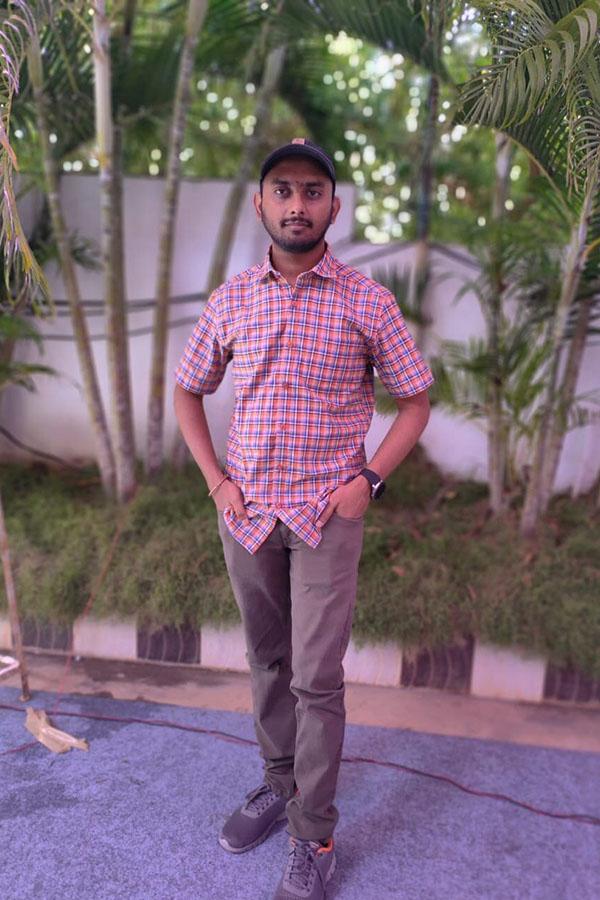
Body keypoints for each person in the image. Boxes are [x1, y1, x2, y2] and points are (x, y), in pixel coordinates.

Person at [174, 138, 433, 900]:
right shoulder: (231, 299)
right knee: (267, 660)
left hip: (327, 514)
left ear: (333, 207)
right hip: (247, 513)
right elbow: (188, 390)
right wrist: (217, 483)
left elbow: (415, 402)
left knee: (316, 677)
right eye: (282, 190)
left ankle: (313, 834)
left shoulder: (366, 301)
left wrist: (368, 482)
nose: (297, 204)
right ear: (261, 204)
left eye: (312, 191)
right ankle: (279, 782)